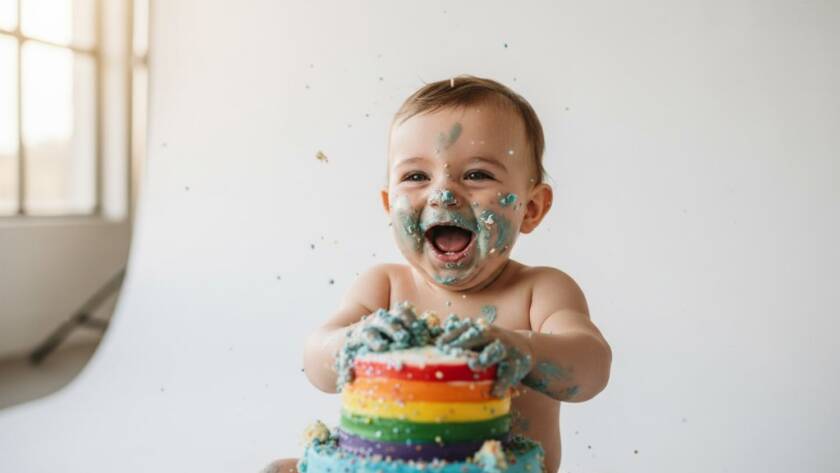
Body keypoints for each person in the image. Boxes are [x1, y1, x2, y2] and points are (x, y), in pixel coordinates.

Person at [264, 75, 612, 473]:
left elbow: (591, 369)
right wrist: (352, 343)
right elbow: (316, 364)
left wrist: (521, 350)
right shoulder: (385, 288)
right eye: (416, 176)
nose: (443, 193)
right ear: (387, 203)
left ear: (531, 208)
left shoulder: (540, 291)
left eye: (477, 175)